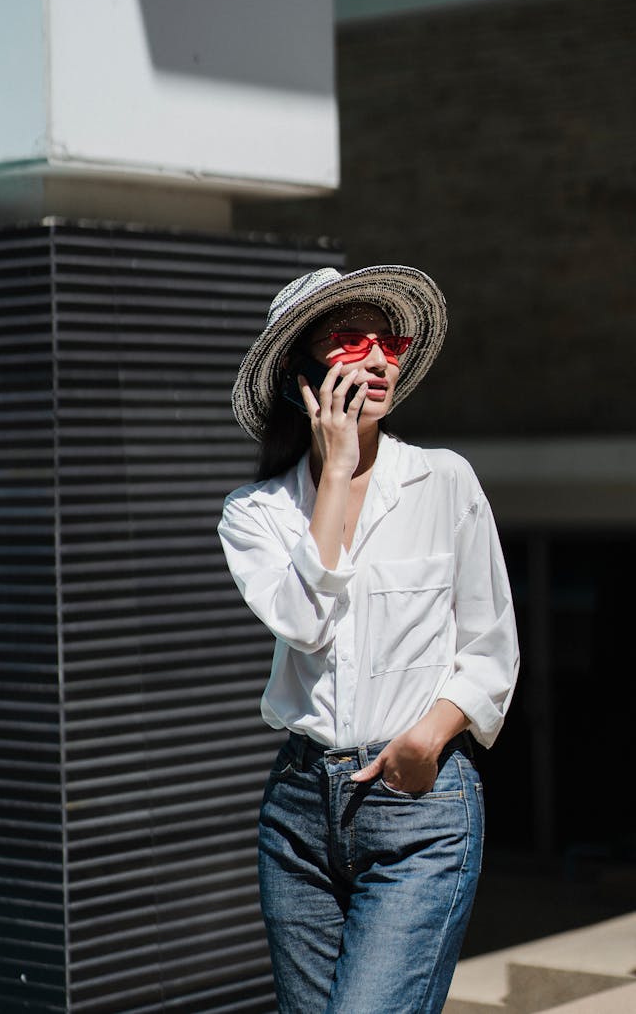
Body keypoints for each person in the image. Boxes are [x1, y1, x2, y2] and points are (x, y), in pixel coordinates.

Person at [217, 265, 519, 1014]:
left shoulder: (444, 481)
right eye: (350, 341)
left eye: (389, 340)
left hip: (419, 803)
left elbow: (490, 649)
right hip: (297, 818)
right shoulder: (255, 514)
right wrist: (339, 470)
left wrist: (427, 738)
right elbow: (307, 619)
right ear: (301, 374)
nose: (381, 357)